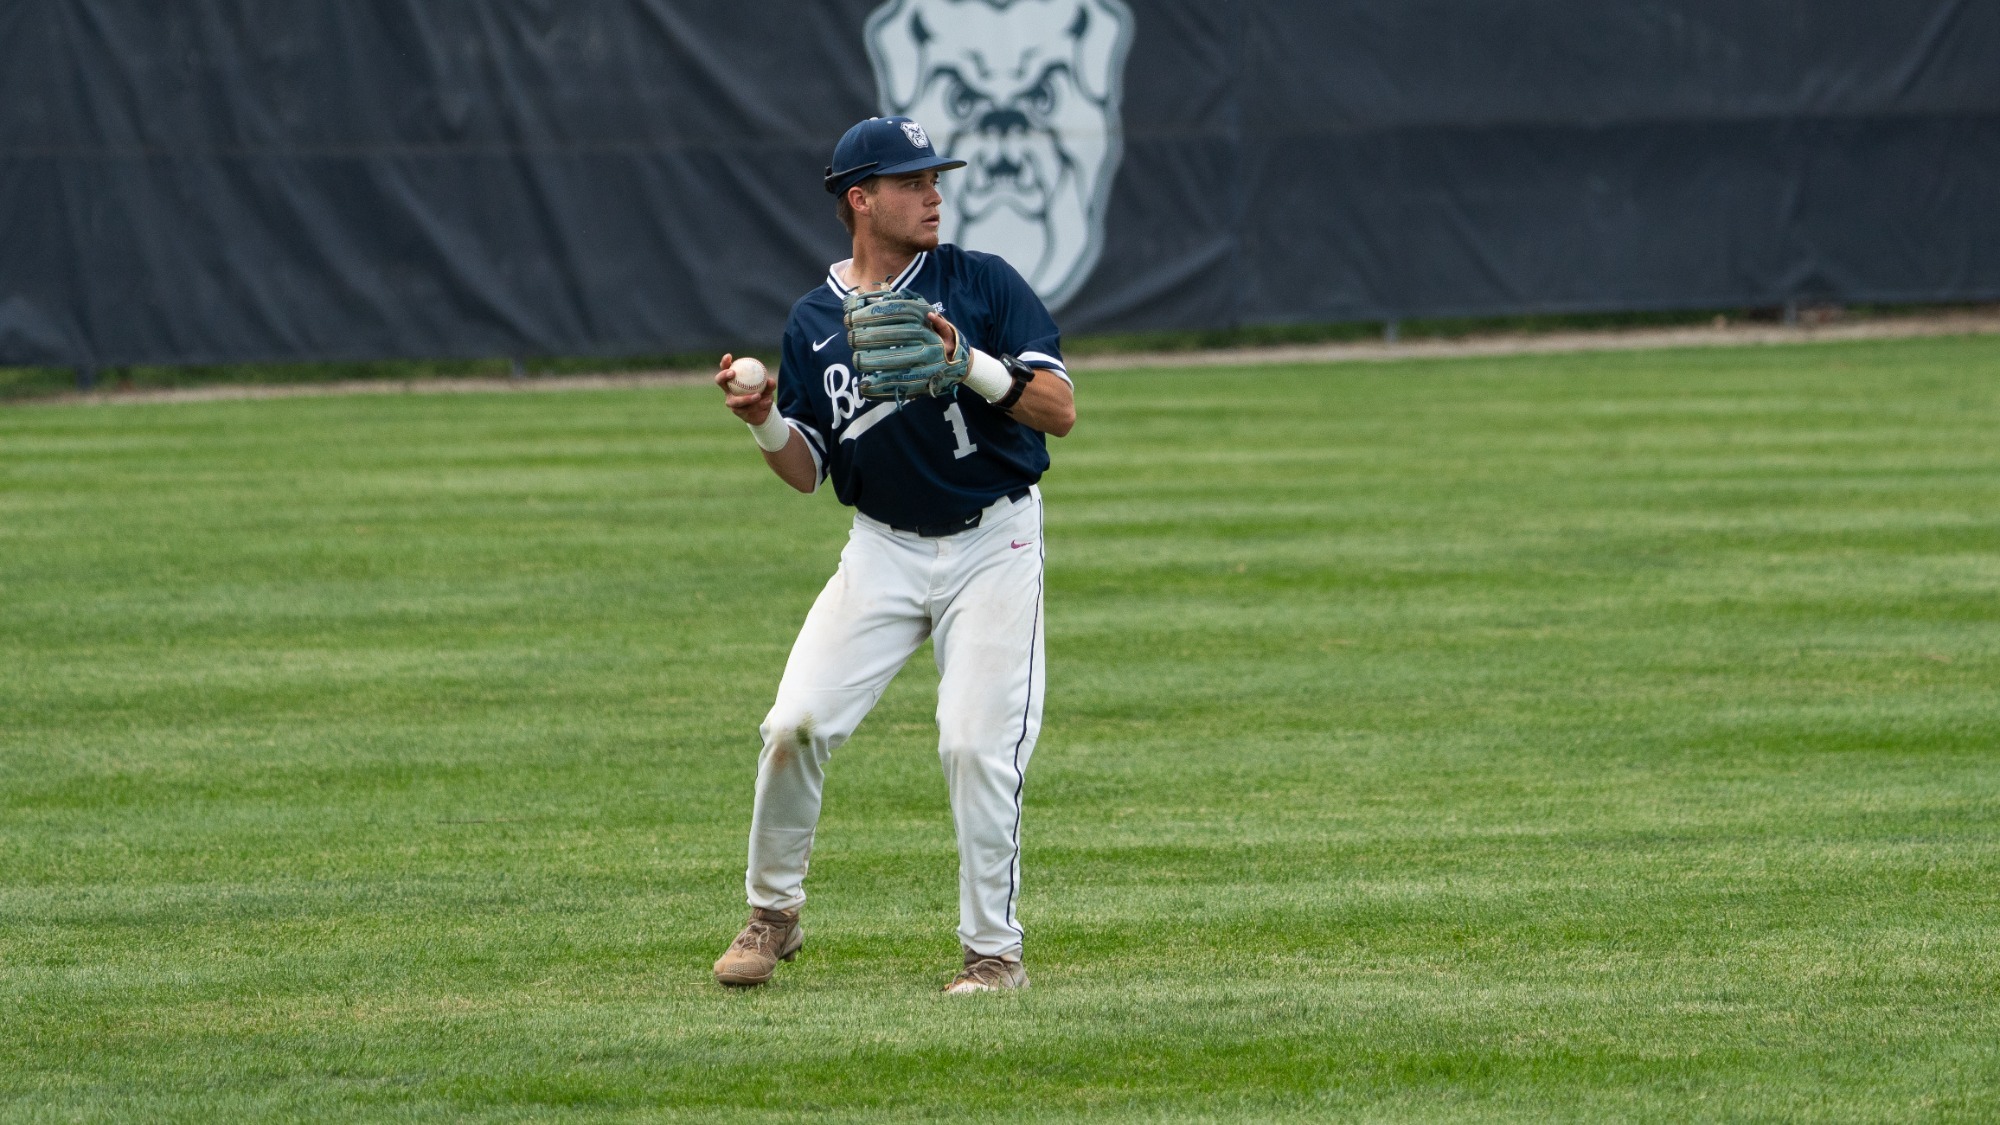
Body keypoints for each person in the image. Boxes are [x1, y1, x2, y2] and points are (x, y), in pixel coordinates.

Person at [711, 115, 1076, 993]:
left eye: (935, 179)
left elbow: (1059, 408)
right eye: (912, 182)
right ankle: (773, 915)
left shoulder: (981, 284)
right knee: (792, 724)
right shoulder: (812, 322)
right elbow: (810, 468)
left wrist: (969, 363)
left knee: (973, 745)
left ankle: (993, 956)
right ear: (860, 199)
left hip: (994, 541)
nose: (934, 194)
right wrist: (763, 422)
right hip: (880, 549)